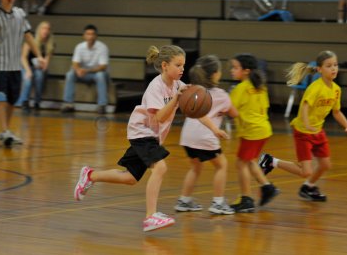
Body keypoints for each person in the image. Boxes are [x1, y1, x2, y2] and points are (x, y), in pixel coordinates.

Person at [73, 45, 187, 232]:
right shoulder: (156, 87)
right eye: (178, 65)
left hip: (151, 136)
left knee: (130, 178)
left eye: (183, 65)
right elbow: (159, 117)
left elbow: (193, 96)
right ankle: (151, 216)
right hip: (143, 132)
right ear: (165, 65)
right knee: (160, 167)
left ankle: (90, 175)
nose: (182, 69)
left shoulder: (177, 85)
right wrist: (176, 99)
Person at [259, 50, 347, 202]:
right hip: (303, 132)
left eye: (335, 65)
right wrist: (307, 124)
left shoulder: (336, 90)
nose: (334, 68)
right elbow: (304, 107)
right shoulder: (315, 88)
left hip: (318, 131)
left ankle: (308, 187)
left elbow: (336, 112)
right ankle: (271, 161)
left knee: (325, 165)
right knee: (305, 171)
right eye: (329, 66)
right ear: (319, 69)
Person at [174, 55, 238, 215]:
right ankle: (218, 202)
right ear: (216, 74)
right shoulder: (222, 94)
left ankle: (184, 200)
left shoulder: (192, 90)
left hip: (188, 136)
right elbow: (234, 113)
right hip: (205, 136)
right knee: (221, 165)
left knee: (195, 168)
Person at [0, 0, 45, 147]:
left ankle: (7, 131)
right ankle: (4, 131)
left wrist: (39, 55)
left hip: (15, 65)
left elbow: (29, 36)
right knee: (1, 98)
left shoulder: (20, 14)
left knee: (12, 99)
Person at [228, 54, 279, 213]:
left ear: (246, 71)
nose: (231, 70)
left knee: (241, 163)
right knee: (250, 161)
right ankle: (267, 187)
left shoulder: (241, 88)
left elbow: (230, 110)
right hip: (263, 129)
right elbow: (265, 109)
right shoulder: (260, 86)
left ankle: (246, 199)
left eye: (235, 67)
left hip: (251, 131)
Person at [61, 24, 109, 114]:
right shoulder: (79, 47)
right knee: (70, 74)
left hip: (96, 73)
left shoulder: (102, 47)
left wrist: (86, 70)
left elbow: (103, 66)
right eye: (88, 34)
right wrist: (78, 70)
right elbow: (75, 63)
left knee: (100, 75)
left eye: (92, 34)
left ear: (96, 36)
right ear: (84, 36)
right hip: (83, 73)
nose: (90, 36)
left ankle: (102, 105)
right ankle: (68, 103)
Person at [17, 21, 55, 111]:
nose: (45, 31)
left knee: (39, 76)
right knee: (28, 78)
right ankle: (24, 102)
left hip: (39, 68)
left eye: (48, 29)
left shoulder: (50, 44)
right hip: (26, 65)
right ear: (39, 30)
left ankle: (37, 102)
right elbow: (23, 57)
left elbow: (47, 62)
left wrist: (43, 65)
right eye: (43, 28)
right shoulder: (31, 41)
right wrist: (28, 70)